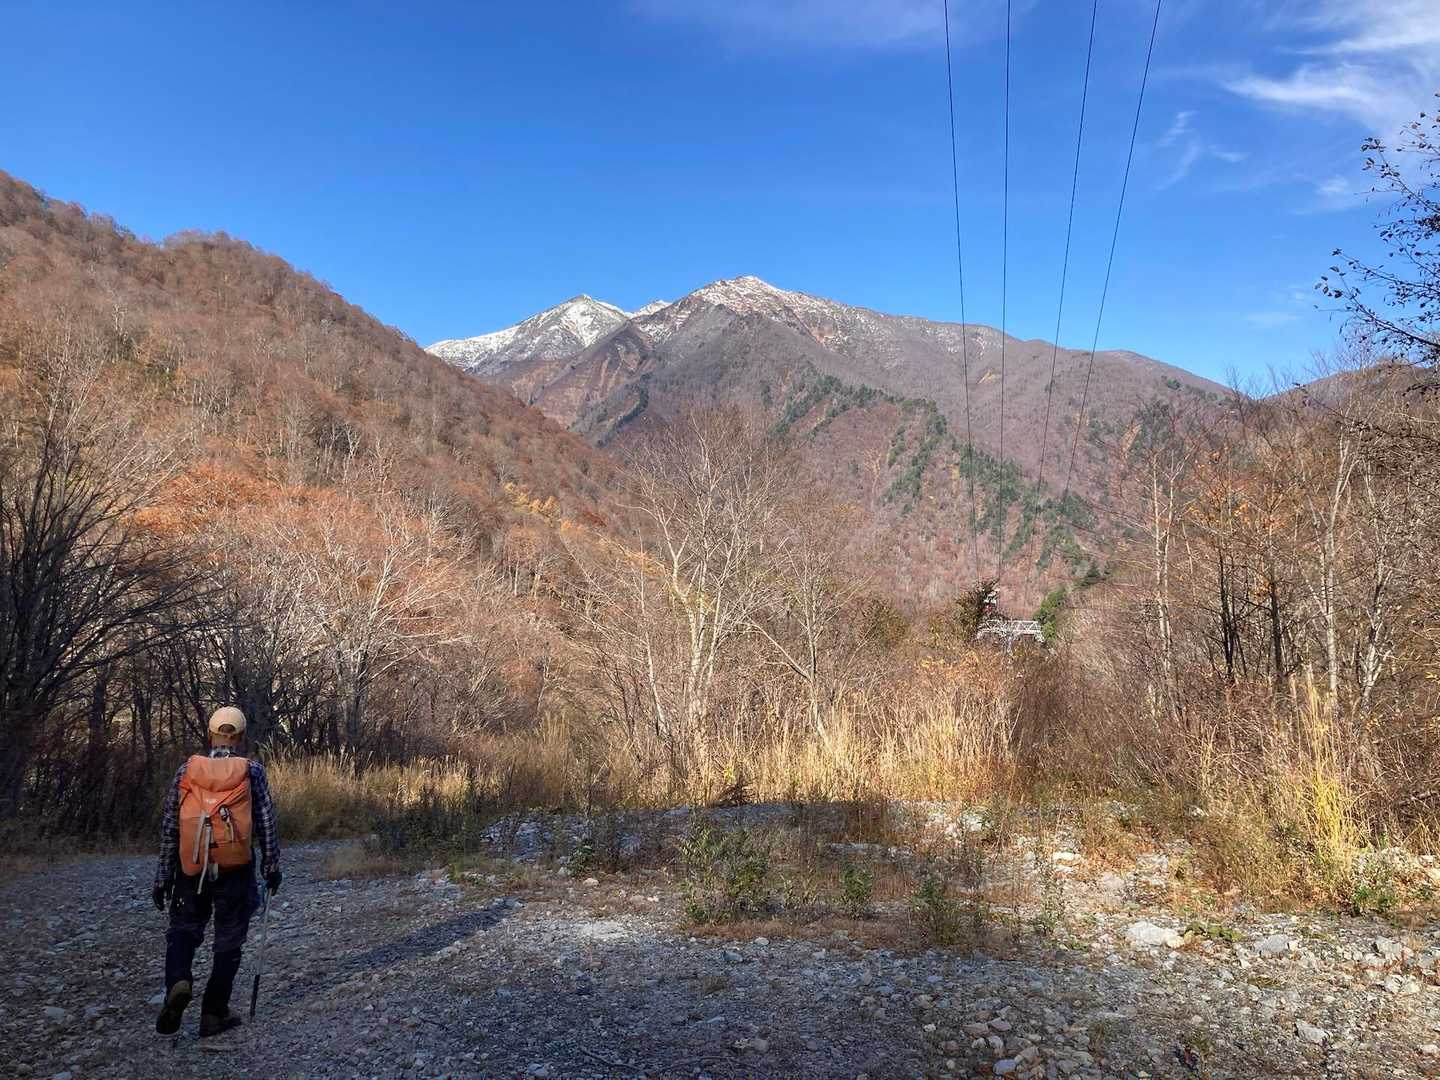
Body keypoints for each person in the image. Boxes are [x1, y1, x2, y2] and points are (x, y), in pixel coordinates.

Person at [152, 705, 282, 1038]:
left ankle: (179, 980)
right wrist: (271, 865)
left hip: (191, 866)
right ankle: (213, 1013)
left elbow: (171, 826)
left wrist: (163, 876)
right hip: (236, 868)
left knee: (183, 928)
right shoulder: (252, 771)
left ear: (210, 735)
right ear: (241, 737)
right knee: (229, 939)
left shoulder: (187, 770)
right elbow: (266, 821)